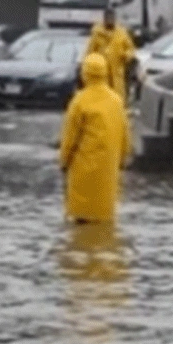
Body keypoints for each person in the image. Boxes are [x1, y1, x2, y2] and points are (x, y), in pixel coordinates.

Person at [60, 53, 132, 224]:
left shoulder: (79, 101)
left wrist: (63, 162)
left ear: (85, 73)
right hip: (108, 169)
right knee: (104, 217)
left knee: (82, 219)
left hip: (83, 168)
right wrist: (122, 160)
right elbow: (125, 134)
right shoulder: (116, 101)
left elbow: (70, 137)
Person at [85, 7, 137, 104]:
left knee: (118, 100)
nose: (110, 20)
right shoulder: (97, 33)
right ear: (104, 18)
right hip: (101, 73)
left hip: (117, 73)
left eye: (111, 17)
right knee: (102, 100)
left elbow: (131, 49)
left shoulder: (121, 33)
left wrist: (126, 55)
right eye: (107, 17)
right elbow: (89, 53)